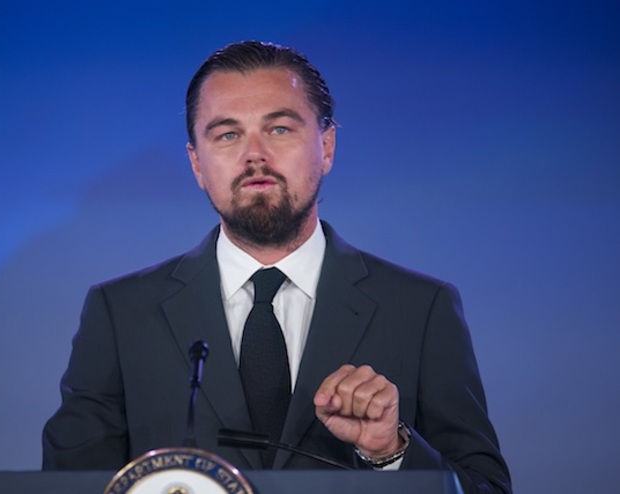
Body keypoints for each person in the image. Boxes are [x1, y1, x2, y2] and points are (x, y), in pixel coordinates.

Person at [42, 41, 512, 493]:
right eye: (227, 134)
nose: (254, 155)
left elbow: (485, 489)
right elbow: (68, 487)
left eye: (280, 129)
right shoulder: (121, 314)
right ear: (197, 165)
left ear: (326, 147)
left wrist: (391, 452)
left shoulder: (420, 309)